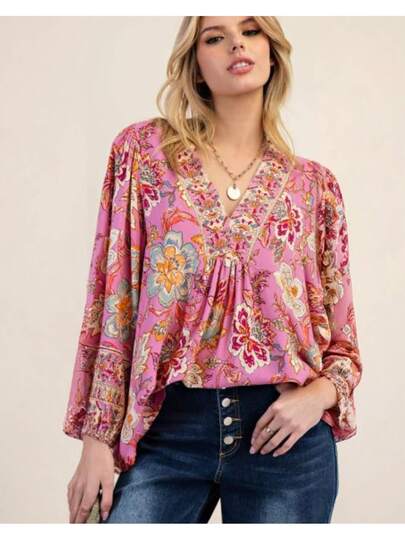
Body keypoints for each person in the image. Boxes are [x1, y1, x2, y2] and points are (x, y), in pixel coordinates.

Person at [64, 16, 362, 524]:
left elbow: (344, 347)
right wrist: (97, 439)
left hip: (284, 441)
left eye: (251, 31)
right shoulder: (143, 155)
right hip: (167, 431)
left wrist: (316, 397)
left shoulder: (315, 188)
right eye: (215, 37)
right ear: (195, 62)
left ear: (272, 51)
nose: (236, 45)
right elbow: (113, 303)